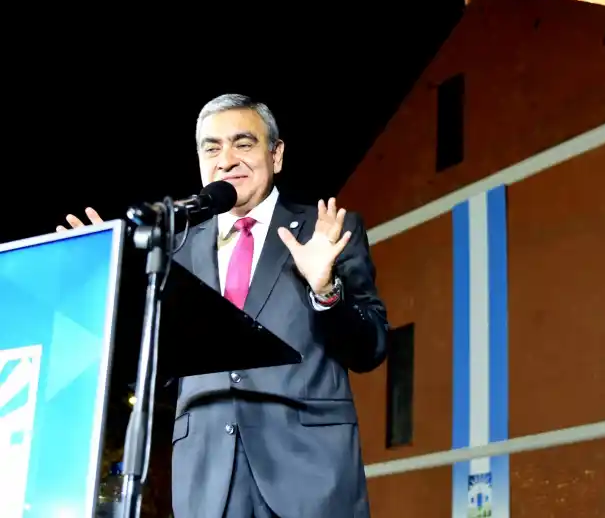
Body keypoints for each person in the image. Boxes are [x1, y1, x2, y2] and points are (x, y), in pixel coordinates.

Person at [58, 94, 389, 518]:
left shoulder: (325, 231)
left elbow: (371, 347)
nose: (226, 159)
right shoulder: (175, 248)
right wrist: (101, 286)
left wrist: (325, 288)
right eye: (212, 147)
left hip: (309, 475)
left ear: (277, 154)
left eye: (243, 143)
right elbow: (150, 370)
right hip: (208, 477)